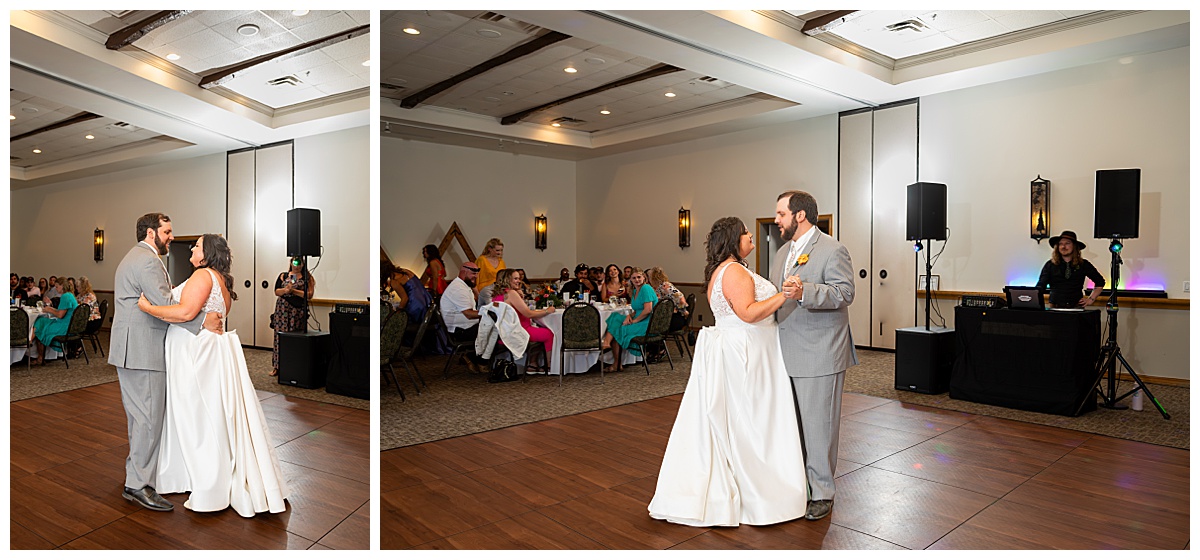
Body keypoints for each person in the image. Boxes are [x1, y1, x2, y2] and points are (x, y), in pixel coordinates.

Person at [648, 217, 807, 526]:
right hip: (746, 349)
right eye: (747, 233)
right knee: (750, 420)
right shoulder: (733, 271)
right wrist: (784, 295)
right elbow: (747, 314)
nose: (751, 237)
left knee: (745, 418)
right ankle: (756, 489)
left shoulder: (732, 269)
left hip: (747, 347)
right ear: (734, 239)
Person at [139, 234, 290, 517]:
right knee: (207, 415)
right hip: (206, 351)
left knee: (193, 414)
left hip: (194, 353)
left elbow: (185, 313)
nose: (192, 249)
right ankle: (201, 472)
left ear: (206, 255)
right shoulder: (218, 279)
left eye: (196, 246)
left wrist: (147, 308)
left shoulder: (202, 276)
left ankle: (205, 479)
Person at [109, 212, 223, 513]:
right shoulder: (146, 260)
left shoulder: (134, 257)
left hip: (133, 349)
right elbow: (164, 305)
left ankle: (138, 476)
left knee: (141, 417)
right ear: (151, 233)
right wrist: (203, 321)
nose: (172, 237)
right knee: (147, 419)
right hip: (142, 349)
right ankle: (137, 485)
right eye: (168, 231)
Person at [771, 190, 857, 522]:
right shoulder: (781, 254)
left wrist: (807, 291)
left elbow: (845, 292)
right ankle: (799, 485)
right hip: (785, 351)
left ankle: (822, 492)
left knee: (819, 426)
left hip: (820, 352)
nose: (777, 219)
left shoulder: (833, 249)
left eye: (781, 214)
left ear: (800, 215)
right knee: (793, 425)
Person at [492, 268, 554, 372]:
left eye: (519, 278)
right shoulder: (511, 293)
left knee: (539, 329)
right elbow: (528, 313)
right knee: (549, 334)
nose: (519, 281)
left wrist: (521, 296)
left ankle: (533, 363)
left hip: (503, 332)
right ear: (507, 280)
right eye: (515, 279)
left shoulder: (497, 294)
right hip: (519, 330)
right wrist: (548, 311)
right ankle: (549, 366)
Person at [601, 267, 658, 373]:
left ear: (644, 277)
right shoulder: (636, 290)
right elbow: (637, 310)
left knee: (618, 329)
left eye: (639, 277)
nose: (637, 280)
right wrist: (629, 316)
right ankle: (608, 343)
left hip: (647, 323)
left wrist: (635, 321)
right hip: (639, 318)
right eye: (634, 278)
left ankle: (616, 363)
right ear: (630, 279)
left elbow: (648, 310)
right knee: (615, 317)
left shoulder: (646, 288)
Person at [269, 257, 315, 377]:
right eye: (295, 262)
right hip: (282, 311)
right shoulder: (283, 276)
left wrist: (294, 291)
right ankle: (277, 367)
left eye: (299, 263)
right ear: (290, 263)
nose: (297, 265)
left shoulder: (307, 278)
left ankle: (294, 366)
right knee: (279, 338)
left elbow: (309, 294)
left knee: (295, 338)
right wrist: (286, 290)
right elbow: (276, 291)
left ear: (303, 264)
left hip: (296, 312)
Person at [440, 262, 489, 374]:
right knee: (493, 330)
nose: (476, 276)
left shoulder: (464, 285)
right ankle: (481, 361)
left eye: (477, 274)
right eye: (473, 274)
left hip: (463, 327)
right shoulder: (458, 289)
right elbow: (469, 314)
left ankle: (473, 357)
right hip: (459, 331)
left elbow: (477, 301)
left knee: (491, 326)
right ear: (464, 272)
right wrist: (489, 313)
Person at [1037, 230, 1105, 308]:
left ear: (1074, 246)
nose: (1063, 246)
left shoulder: (1083, 264)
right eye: (1061, 244)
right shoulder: (1050, 265)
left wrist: (1091, 299)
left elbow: (1100, 282)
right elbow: (1041, 285)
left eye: (1067, 243)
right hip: (1055, 307)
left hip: (1076, 307)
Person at [29, 287, 78, 366]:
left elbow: (60, 315)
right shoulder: (70, 295)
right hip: (71, 326)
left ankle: (32, 346)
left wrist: (49, 310)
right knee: (41, 321)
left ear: (61, 286)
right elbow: (62, 311)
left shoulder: (65, 296)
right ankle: (30, 341)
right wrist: (51, 307)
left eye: (57, 286)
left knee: (40, 327)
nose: (56, 288)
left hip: (64, 328)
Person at [647, 266, 690, 333]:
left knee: (649, 325)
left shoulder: (665, 287)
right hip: (673, 318)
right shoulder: (662, 286)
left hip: (674, 320)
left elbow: (680, 298)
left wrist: (683, 310)